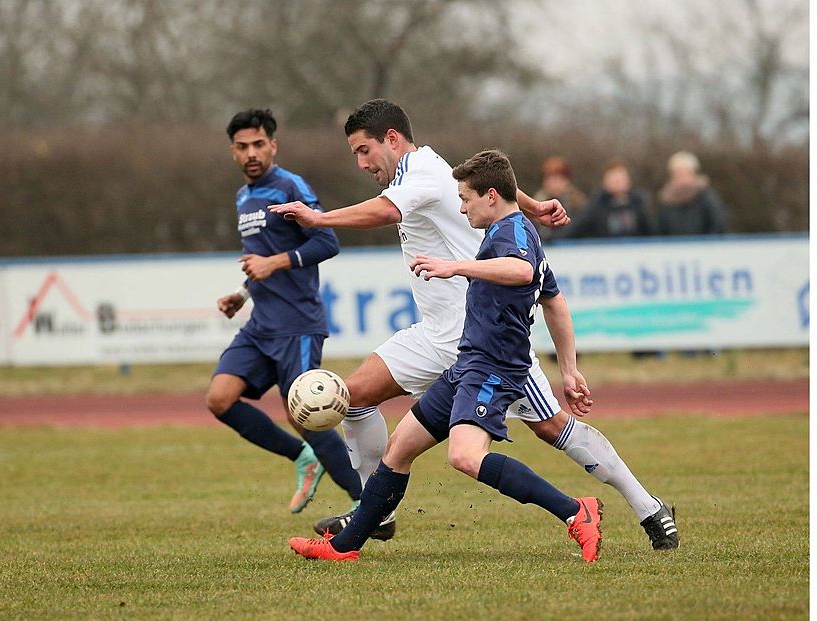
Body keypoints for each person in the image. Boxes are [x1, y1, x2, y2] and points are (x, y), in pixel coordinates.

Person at [270, 99, 678, 551]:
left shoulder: (419, 175)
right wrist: (533, 202)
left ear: (391, 139)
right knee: (354, 397)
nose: (363, 163)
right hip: (435, 332)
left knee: (552, 429)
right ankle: (375, 509)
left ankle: (648, 507)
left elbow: (386, 211)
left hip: (484, 337)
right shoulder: (428, 166)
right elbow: (484, 184)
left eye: (363, 151)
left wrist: (318, 218)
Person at [289, 150, 603, 562]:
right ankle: (344, 548)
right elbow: (554, 302)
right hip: (468, 362)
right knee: (399, 448)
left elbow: (522, 272)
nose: (460, 207)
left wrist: (456, 267)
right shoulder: (502, 229)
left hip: (494, 368)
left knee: (464, 456)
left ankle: (575, 511)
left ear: (490, 196)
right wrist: (570, 369)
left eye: (466, 198)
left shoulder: (514, 234)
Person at [206, 108, 361, 514]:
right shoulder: (244, 197)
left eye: (259, 144)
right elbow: (260, 259)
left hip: (298, 325)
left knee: (307, 415)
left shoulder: (290, 187)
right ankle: (302, 457)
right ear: (233, 152)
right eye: (243, 147)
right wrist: (244, 292)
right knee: (220, 398)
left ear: (273, 145)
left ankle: (369, 505)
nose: (252, 153)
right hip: (261, 324)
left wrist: (274, 264)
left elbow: (327, 243)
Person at [566, 160, 653, 239]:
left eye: (620, 179)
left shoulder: (639, 205)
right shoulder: (596, 207)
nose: (617, 183)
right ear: (605, 182)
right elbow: (575, 228)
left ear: (628, 181)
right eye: (613, 179)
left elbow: (652, 232)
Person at [656, 151, 727, 236]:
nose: (682, 177)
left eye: (685, 173)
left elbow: (717, 224)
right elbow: (661, 229)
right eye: (678, 173)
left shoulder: (707, 197)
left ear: (694, 173)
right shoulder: (666, 199)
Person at [533, 156, 588, 244]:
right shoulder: (535, 204)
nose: (554, 183)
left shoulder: (578, 203)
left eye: (559, 178)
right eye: (550, 179)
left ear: (567, 180)